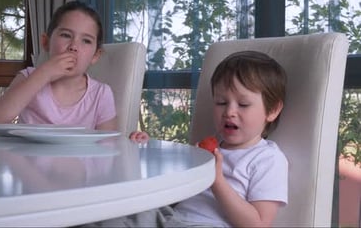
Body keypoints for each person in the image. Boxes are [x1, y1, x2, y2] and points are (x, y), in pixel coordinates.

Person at [85, 50, 288, 227]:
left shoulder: (267, 158)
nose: (229, 112)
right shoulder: (209, 146)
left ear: (272, 110)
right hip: (171, 217)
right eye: (221, 102)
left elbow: (258, 224)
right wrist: (148, 147)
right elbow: (173, 172)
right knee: (107, 218)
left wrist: (216, 180)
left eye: (243, 104)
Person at [0, 0, 148, 143]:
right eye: (65, 35)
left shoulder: (100, 94)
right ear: (46, 42)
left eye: (86, 40)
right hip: (31, 169)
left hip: (80, 172)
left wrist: (131, 140)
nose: (73, 46)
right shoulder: (28, 77)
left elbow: (110, 144)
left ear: (95, 55)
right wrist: (44, 73)